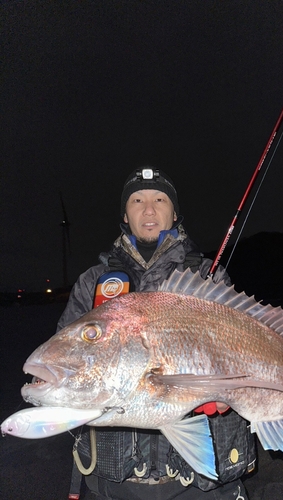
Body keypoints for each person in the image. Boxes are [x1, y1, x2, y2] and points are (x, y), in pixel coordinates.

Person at [57, 167, 256, 500]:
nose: (148, 209)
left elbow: (241, 352)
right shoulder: (92, 281)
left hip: (197, 482)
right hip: (114, 484)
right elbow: (66, 362)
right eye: (137, 200)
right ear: (125, 213)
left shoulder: (208, 276)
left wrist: (229, 391)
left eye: (159, 199)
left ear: (174, 212)